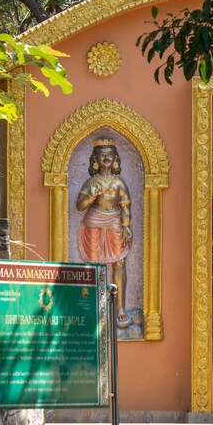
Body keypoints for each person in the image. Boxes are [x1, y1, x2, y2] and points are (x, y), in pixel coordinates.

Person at [76, 139, 133, 327]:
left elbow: (125, 206)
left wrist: (126, 226)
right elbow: (79, 206)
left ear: (116, 158)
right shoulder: (91, 182)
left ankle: (120, 308)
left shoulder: (119, 183)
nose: (106, 158)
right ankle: (93, 306)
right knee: (93, 264)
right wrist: (91, 196)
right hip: (94, 222)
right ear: (95, 159)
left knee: (119, 262)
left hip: (115, 221)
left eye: (110, 155)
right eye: (102, 155)